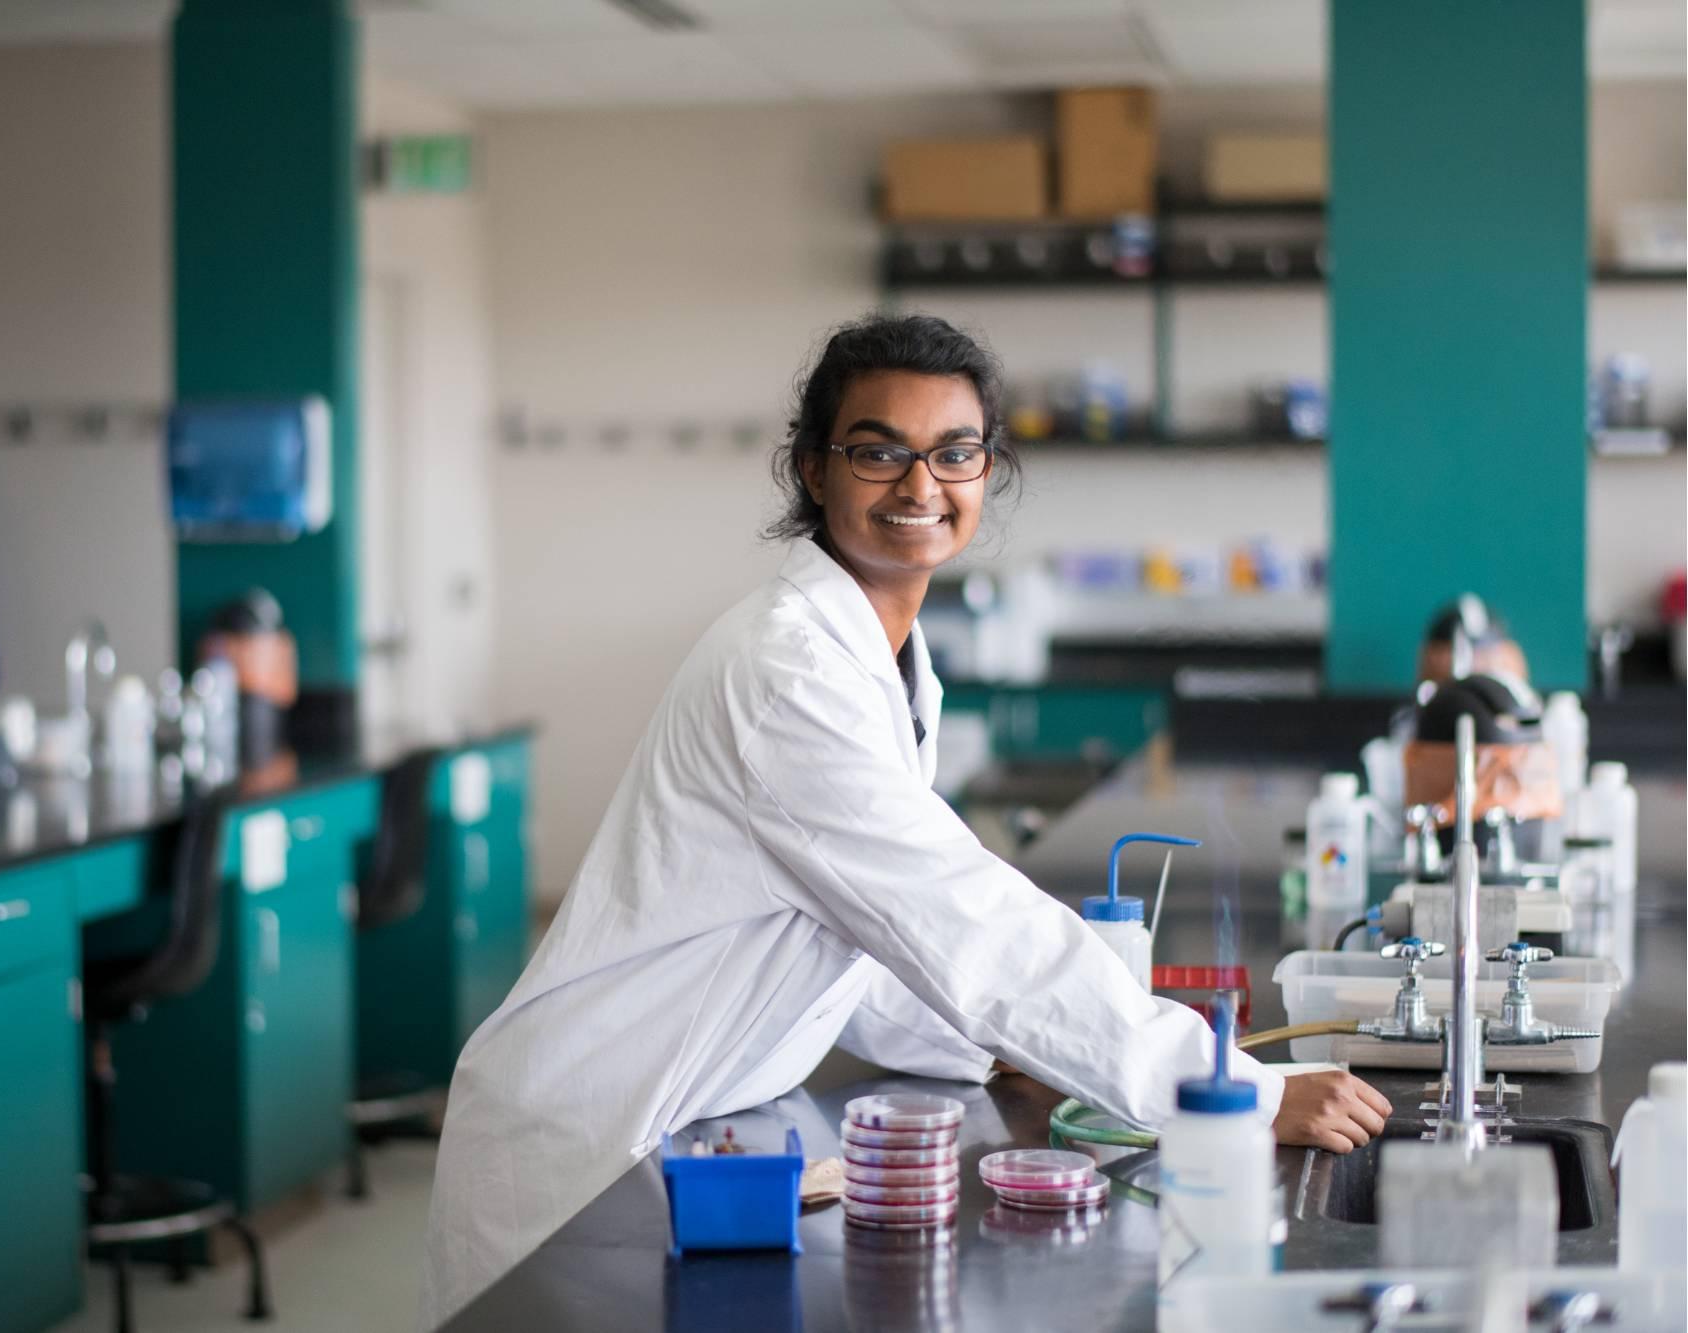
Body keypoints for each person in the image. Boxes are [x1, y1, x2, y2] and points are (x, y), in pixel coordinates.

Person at [420, 314, 1390, 1326]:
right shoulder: (787, 670)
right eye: (879, 451)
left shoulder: (881, 657)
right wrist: (1229, 1093)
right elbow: (961, 922)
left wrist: (1000, 1044)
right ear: (812, 470)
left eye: (953, 452)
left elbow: (865, 938)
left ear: (987, 470)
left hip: (681, 1127)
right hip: (581, 1150)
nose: (919, 485)